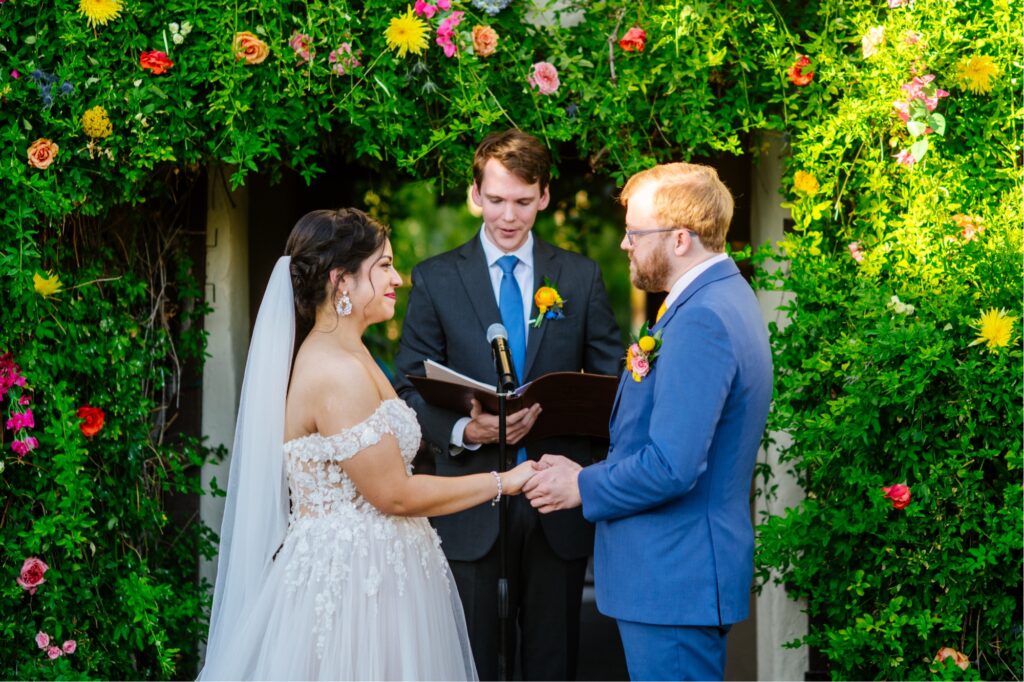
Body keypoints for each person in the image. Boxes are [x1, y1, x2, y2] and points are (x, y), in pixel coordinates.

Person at [199, 208, 536, 680]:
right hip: (353, 587)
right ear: (342, 281)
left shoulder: (354, 351)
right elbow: (393, 493)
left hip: (388, 571)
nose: (397, 278)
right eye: (384, 266)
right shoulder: (334, 371)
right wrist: (504, 481)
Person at [523, 163, 773, 681]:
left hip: (675, 578)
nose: (624, 245)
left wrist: (580, 483)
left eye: (635, 232)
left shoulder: (702, 317)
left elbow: (671, 465)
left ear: (680, 239)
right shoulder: (720, 298)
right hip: (678, 576)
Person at [393, 129, 621, 680]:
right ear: (476, 194)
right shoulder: (435, 278)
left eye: (523, 201)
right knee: (471, 664)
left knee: (552, 665)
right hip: (469, 506)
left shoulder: (580, 277)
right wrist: (467, 432)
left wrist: (585, 468)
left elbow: (617, 388)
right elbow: (406, 390)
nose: (508, 216)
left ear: (544, 195)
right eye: (496, 200)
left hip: (556, 503)